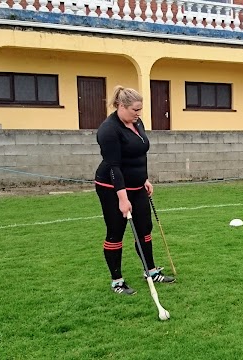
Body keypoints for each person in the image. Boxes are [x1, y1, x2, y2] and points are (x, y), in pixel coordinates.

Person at [95, 85, 175, 296]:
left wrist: (144, 178)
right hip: (111, 187)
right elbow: (114, 166)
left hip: (137, 185)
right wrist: (122, 198)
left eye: (140, 110)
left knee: (144, 228)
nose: (139, 114)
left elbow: (140, 154)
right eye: (135, 110)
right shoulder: (108, 130)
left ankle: (150, 271)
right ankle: (117, 281)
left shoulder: (137, 123)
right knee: (116, 231)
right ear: (121, 106)